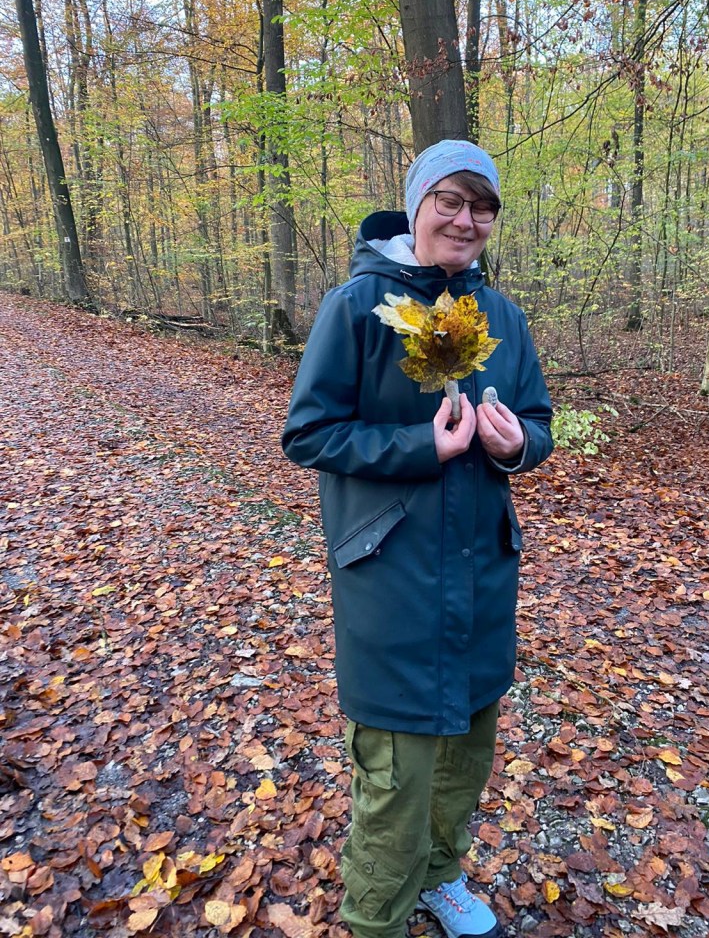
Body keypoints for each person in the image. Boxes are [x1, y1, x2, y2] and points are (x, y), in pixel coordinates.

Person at [282, 140, 553, 938]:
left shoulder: (503, 317)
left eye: (482, 206)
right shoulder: (357, 306)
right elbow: (309, 433)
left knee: (465, 759)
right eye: (450, 201)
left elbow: (536, 424)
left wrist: (515, 447)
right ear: (418, 204)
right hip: (391, 581)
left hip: (481, 582)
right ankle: (376, 919)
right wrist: (415, 448)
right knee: (395, 781)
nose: (466, 220)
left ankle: (441, 877)